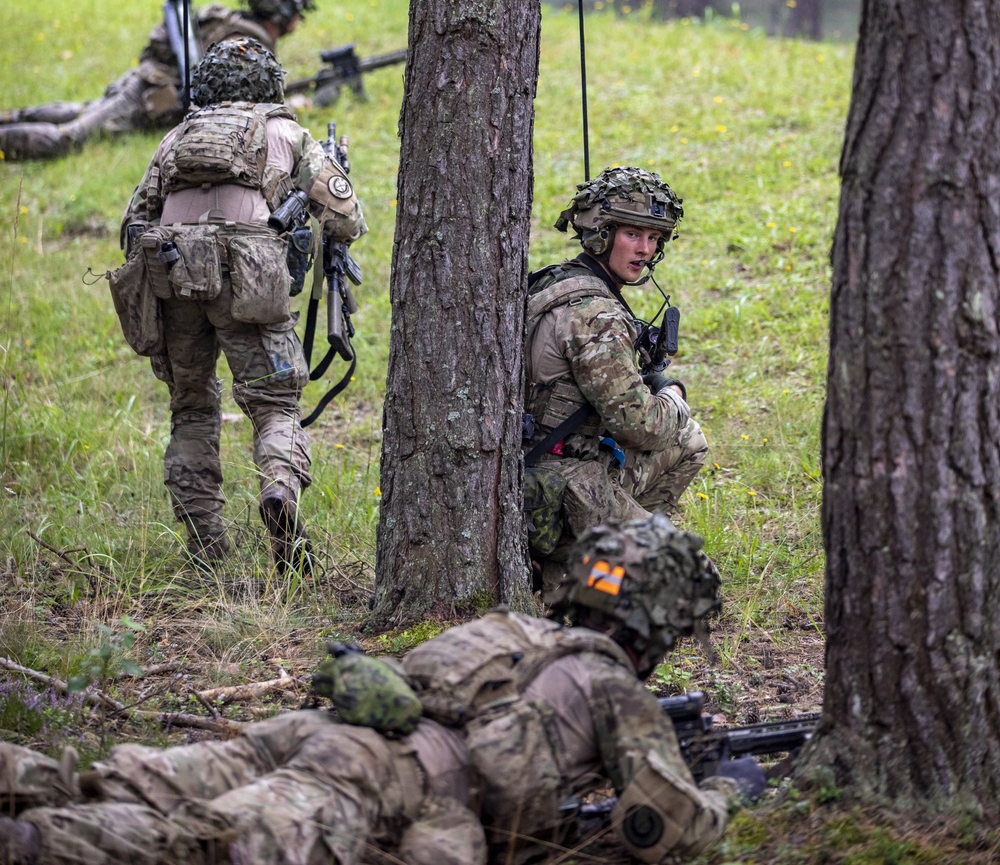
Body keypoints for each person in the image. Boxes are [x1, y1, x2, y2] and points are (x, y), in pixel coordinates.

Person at [0, 515, 761, 865]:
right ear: (658, 625)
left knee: (120, 778)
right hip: (368, 780)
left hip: (314, 731)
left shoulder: (513, 631)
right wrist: (727, 791)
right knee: (203, 845)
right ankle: (29, 844)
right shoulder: (611, 686)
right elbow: (663, 828)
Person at [112, 35, 365, 572]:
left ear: (207, 85)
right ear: (269, 82)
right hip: (250, 288)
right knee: (274, 405)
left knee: (192, 409)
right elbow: (348, 220)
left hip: (174, 278)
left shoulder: (178, 137)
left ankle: (206, 544)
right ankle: (278, 492)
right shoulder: (286, 133)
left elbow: (133, 224)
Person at [523, 167, 709, 598]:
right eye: (632, 234)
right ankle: (583, 565)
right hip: (563, 482)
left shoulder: (556, 282)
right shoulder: (597, 315)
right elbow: (642, 428)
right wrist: (673, 396)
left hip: (547, 466)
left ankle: (602, 553)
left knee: (690, 443)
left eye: (655, 238)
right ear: (600, 234)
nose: (646, 249)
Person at [0, 0, 315, 161]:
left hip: (145, 80)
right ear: (283, 13)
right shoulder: (247, 40)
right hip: (149, 94)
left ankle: (13, 117)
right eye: (298, 11)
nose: (300, 19)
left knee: (83, 112)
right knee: (67, 139)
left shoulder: (237, 21)